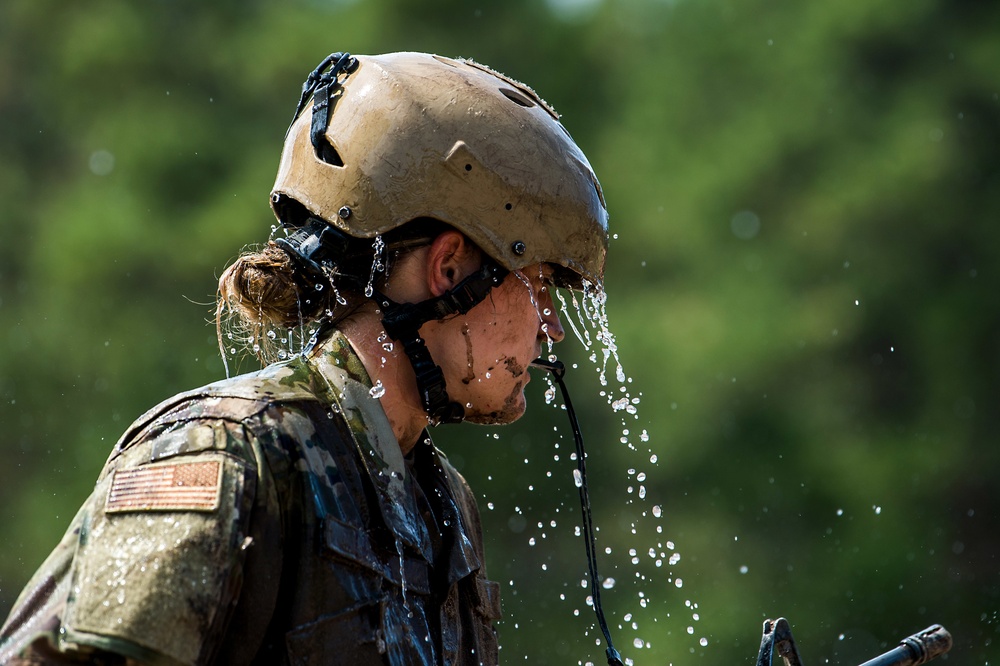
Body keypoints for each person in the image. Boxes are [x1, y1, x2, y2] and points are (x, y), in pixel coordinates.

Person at [0, 51, 608, 665]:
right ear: (448, 270)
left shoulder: (442, 501)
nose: (551, 327)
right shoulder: (229, 456)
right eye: (535, 287)